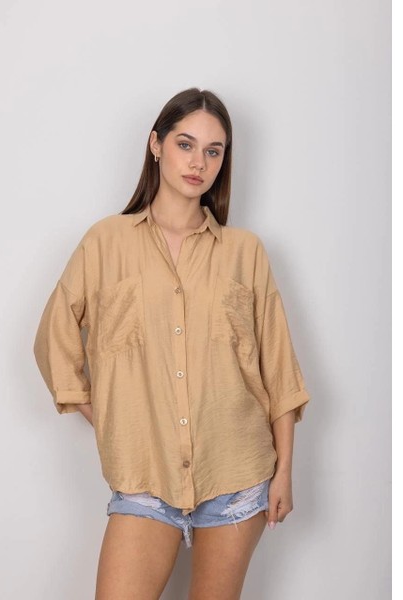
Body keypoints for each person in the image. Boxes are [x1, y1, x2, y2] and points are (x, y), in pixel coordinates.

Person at [33, 87, 311, 599]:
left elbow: (279, 371)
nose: (198, 162)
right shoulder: (105, 243)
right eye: (186, 144)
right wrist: (111, 418)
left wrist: (285, 475)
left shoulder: (245, 252)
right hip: (144, 478)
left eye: (213, 151)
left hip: (237, 475)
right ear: (155, 145)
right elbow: (53, 339)